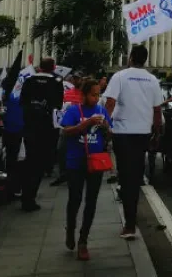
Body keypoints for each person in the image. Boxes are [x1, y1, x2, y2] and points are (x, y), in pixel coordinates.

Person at [103, 45, 163, 239]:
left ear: (130, 57)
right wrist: (156, 133)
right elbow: (157, 110)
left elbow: (110, 102)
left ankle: (129, 225)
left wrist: (106, 125)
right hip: (142, 133)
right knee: (134, 176)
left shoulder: (120, 77)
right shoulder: (152, 80)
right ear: (145, 60)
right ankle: (130, 219)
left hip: (122, 132)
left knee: (126, 174)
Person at [60, 79, 112, 260]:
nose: (96, 98)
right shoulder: (74, 110)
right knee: (75, 199)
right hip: (76, 161)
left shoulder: (101, 110)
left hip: (95, 162)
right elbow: (66, 131)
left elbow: (109, 133)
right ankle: (70, 228)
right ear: (84, 95)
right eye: (93, 95)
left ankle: (83, 241)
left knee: (91, 201)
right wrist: (85, 124)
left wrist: (106, 127)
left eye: (98, 95)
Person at [19, 57, 64, 212]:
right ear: (53, 67)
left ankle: (25, 195)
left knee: (28, 162)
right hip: (47, 130)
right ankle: (31, 197)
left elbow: (22, 102)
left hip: (30, 127)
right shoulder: (57, 82)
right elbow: (58, 106)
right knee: (39, 163)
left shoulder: (29, 81)